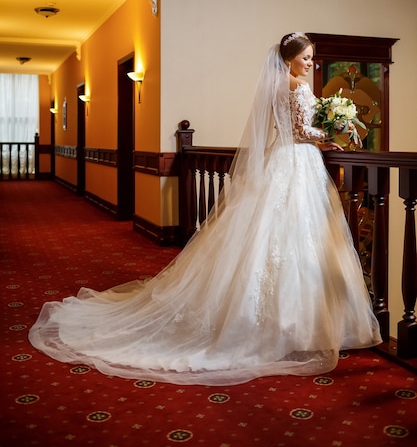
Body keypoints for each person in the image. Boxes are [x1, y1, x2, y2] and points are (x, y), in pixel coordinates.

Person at [29, 32, 381, 386]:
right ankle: (300, 327)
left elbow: (282, 127)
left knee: (273, 236)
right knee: (298, 236)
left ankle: (280, 321)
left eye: (311, 58)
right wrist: (332, 131)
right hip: (297, 162)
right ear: (289, 59)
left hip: (280, 160)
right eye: (306, 58)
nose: (310, 64)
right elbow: (303, 130)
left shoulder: (274, 85)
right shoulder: (298, 88)